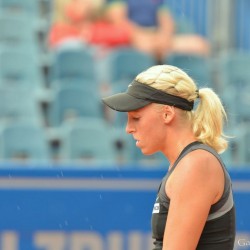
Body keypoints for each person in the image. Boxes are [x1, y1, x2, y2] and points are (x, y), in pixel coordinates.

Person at [102, 64, 236, 249]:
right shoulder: (188, 163)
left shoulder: (195, 165)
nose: (128, 128)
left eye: (136, 118)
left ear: (167, 114)